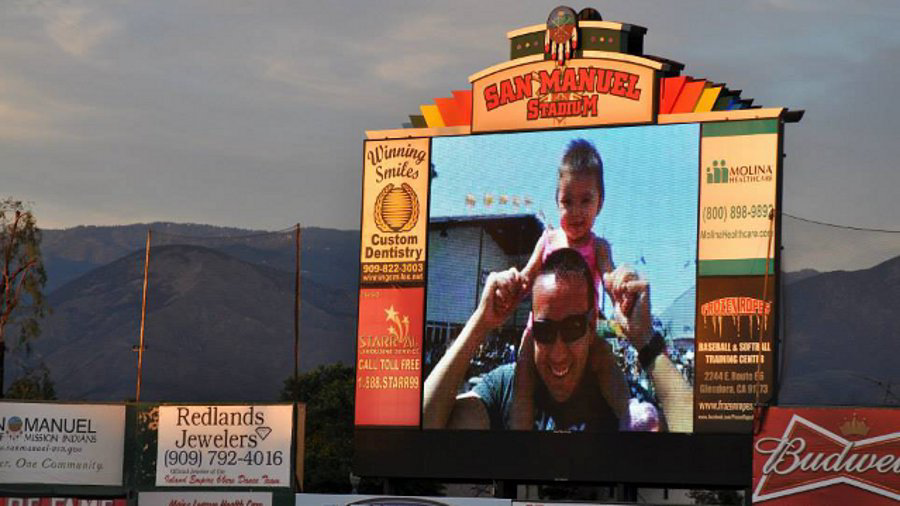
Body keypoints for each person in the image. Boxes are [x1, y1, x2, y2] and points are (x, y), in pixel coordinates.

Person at [422, 248, 693, 432]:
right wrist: (481, 322)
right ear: (531, 330)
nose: (558, 353)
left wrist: (644, 340)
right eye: (545, 331)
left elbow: (701, 446)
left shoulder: (619, 396)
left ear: (590, 327)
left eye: (573, 327)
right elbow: (421, 426)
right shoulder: (504, 387)